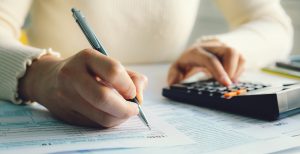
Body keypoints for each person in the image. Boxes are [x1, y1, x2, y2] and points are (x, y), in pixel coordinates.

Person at [0, 0, 293, 127]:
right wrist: (40, 73)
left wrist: (225, 48)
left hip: (169, 100)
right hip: (47, 107)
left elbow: (271, 21)